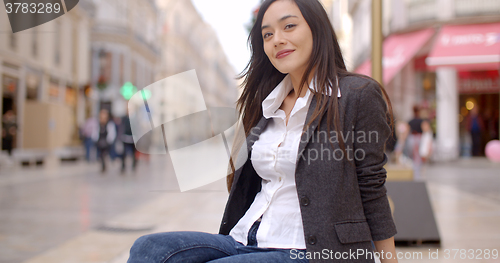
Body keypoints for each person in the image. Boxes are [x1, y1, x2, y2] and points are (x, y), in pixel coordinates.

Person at [128, 1, 398, 262]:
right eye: (267, 34)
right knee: (149, 248)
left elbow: (372, 186)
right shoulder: (266, 103)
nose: (276, 39)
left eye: (289, 26)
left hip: (313, 250)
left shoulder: (356, 95)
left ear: (318, 29)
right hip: (246, 239)